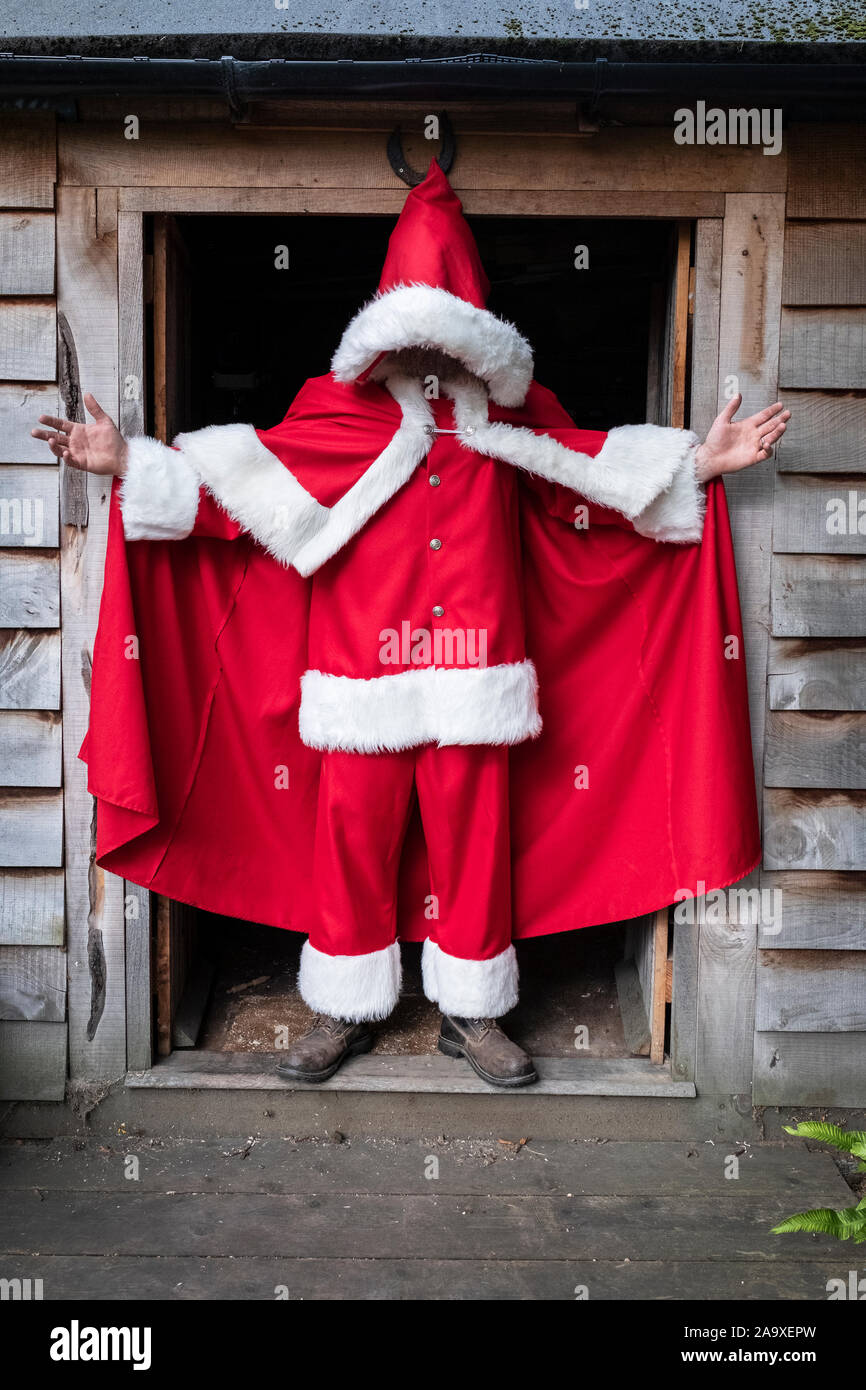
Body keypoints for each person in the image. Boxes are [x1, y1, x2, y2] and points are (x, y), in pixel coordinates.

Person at [34, 164, 788, 1088]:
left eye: (448, 340)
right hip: (359, 680)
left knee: (476, 839)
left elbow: (597, 474)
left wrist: (699, 465)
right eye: (416, 338)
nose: (433, 362)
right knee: (350, 835)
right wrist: (126, 464)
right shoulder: (337, 419)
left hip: (479, 679)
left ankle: (471, 1014)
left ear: (475, 342)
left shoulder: (513, 424)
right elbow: (236, 485)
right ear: (387, 336)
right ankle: (344, 1005)